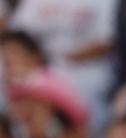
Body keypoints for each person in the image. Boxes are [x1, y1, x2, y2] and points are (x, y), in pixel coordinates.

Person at [8, 0, 119, 129]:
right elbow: (17, 37)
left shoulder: (105, 2)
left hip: (87, 70)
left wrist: (60, 58)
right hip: (42, 69)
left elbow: (106, 42)